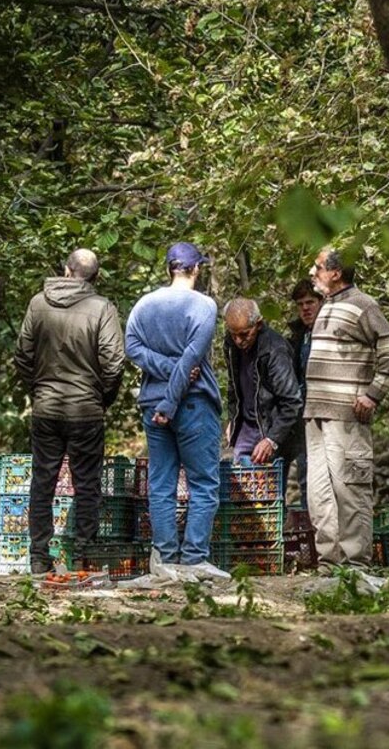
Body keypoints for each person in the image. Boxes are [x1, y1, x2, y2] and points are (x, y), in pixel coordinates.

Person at [14, 248, 125, 575]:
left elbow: (22, 355)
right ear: (96, 277)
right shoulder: (103, 308)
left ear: (66, 270)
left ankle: (39, 557)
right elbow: (114, 363)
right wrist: (101, 398)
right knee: (87, 484)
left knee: (43, 482)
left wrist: (38, 392)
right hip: (87, 411)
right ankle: (83, 556)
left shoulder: (38, 303)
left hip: (46, 409)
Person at [125, 242, 228, 580]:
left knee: (161, 484)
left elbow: (132, 348)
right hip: (190, 405)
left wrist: (162, 375)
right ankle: (194, 559)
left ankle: (166, 558)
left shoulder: (144, 304)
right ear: (196, 269)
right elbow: (190, 360)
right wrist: (171, 398)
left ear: (169, 268)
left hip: (153, 404)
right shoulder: (204, 305)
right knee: (203, 483)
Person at [304, 247, 389, 571]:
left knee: (351, 491)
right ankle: (330, 566)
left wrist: (373, 394)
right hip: (316, 414)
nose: (312, 272)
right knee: (319, 497)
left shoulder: (363, 304)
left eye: (317, 267)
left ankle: (356, 567)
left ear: (336, 273)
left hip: (347, 416)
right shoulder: (327, 305)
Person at [222, 298, 302, 465]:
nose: (238, 340)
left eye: (244, 334)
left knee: (270, 488)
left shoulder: (275, 349)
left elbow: (291, 401)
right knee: (238, 486)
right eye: (233, 334)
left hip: (271, 426)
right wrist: (233, 419)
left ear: (258, 325)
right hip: (245, 426)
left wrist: (272, 439)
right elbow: (233, 387)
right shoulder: (231, 345)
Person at [286, 279, 322, 507]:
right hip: (302, 416)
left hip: (325, 414)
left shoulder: (327, 333)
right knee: (305, 475)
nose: (305, 309)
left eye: (310, 302)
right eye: (300, 304)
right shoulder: (299, 336)